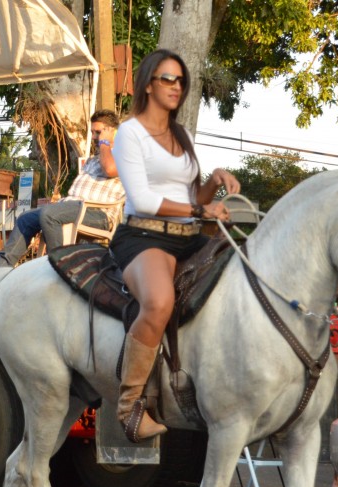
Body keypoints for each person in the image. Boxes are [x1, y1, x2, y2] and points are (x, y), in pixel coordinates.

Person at [109, 49, 240, 442]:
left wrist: (213, 181)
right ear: (148, 84)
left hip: (187, 236)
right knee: (160, 302)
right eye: (168, 79)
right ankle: (130, 407)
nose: (176, 87)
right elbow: (146, 199)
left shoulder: (180, 134)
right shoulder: (129, 132)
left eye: (180, 80)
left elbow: (193, 197)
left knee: (238, 274)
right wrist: (202, 212)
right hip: (144, 235)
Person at [0, 109, 124, 282]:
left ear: (114, 132)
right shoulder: (94, 159)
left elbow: (110, 170)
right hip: (73, 207)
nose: (95, 137)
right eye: (93, 133)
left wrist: (106, 143)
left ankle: (60, 267)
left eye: (99, 132)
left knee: (49, 214)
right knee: (25, 219)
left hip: (99, 214)